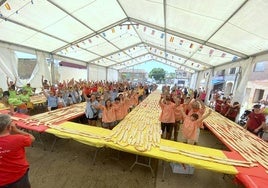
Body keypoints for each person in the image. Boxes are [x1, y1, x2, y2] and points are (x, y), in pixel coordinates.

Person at [0, 114, 35, 188]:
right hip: (18, 176)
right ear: (9, 127)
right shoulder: (18, 139)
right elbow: (32, 138)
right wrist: (16, 130)